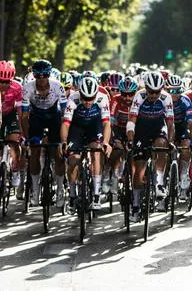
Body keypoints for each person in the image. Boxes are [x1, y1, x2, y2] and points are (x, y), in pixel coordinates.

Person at [126, 71, 175, 221]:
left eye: (156, 92)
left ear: (161, 89)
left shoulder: (166, 98)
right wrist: (130, 140)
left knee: (162, 145)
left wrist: (170, 141)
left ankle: (159, 183)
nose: (153, 95)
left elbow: (170, 123)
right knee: (139, 168)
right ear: (145, 88)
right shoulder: (139, 96)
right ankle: (135, 205)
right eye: (150, 92)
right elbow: (132, 120)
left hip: (158, 128)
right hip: (141, 130)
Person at [61, 77, 112, 211]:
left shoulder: (102, 98)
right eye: (85, 98)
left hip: (94, 128)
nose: (88, 102)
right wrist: (64, 141)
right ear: (80, 94)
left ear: (96, 94)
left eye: (91, 98)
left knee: (97, 151)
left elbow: (106, 123)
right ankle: (72, 196)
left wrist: (106, 142)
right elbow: (66, 124)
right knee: (73, 160)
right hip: (77, 129)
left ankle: (96, 194)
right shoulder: (73, 98)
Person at [21, 59, 67, 207]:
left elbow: (65, 112)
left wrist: (63, 137)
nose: (41, 79)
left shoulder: (57, 86)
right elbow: (24, 116)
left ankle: (60, 189)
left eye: (45, 75)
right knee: (35, 152)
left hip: (54, 117)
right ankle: (34, 189)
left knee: (57, 155)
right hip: (37, 118)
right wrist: (27, 138)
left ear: (49, 74)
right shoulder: (27, 88)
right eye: (38, 76)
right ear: (33, 75)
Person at [164, 74, 192, 201]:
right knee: (163, 151)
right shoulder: (162, 100)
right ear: (166, 90)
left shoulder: (185, 101)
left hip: (181, 126)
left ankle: (183, 174)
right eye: (172, 91)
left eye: (178, 90)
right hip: (166, 126)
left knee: (185, 146)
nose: (175, 94)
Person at [0, 61, 22, 193]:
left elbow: (20, 110)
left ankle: (15, 170)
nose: (3, 84)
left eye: (7, 81)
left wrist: (22, 131)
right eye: (1, 81)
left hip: (11, 114)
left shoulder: (17, 87)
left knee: (14, 142)